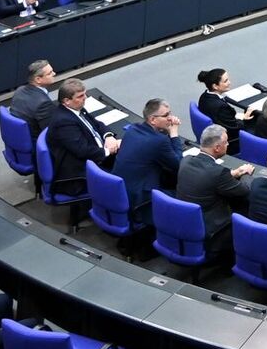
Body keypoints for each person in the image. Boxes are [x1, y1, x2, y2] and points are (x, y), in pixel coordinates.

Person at [174, 124, 254, 259]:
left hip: (184, 219)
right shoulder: (218, 173)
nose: (228, 144)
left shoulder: (186, 160)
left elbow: (209, 176)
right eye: (226, 142)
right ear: (217, 148)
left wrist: (233, 173)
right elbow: (244, 190)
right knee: (245, 206)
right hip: (210, 226)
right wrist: (246, 173)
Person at [113, 97, 183, 226]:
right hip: (140, 198)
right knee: (185, 193)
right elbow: (178, 164)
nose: (170, 118)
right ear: (152, 119)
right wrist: (174, 133)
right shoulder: (159, 141)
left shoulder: (133, 129)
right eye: (166, 115)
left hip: (121, 190)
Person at [46, 78, 121, 195]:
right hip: (79, 173)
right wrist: (109, 150)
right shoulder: (63, 122)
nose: (85, 98)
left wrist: (109, 137)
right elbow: (82, 151)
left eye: (84, 94)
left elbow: (97, 124)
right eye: (80, 96)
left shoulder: (75, 109)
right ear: (67, 101)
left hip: (94, 154)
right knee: (130, 169)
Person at [197, 68, 253, 151]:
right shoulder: (220, 107)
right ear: (215, 86)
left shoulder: (204, 96)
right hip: (232, 143)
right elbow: (234, 128)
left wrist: (238, 116)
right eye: (225, 81)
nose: (229, 83)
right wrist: (245, 119)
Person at [10, 59, 57, 132]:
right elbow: (51, 132)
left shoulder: (19, 90)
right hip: (35, 140)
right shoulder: (43, 104)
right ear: (38, 79)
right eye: (50, 73)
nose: (54, 74)